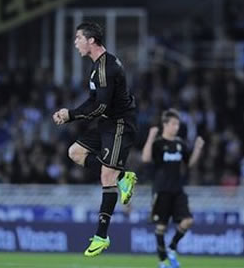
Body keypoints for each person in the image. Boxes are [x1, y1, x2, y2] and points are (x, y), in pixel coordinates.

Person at [52, 22, 138, 257]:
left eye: (78, 38)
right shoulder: (98, 66)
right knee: (75, 153)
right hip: (107, 123)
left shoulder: (105, 68)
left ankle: (101, 236)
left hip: (120, 123)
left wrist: (70, 115)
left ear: (91, 40)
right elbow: (95, 104)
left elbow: (99, 106)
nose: (75, 42)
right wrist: (70, 113)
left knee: (105, 175)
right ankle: (123, 176)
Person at [142, 109, 204, 268]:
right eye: (174, 124)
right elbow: (146, 159)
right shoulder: (157, 143)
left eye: (178, 124)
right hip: (161, 190)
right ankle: (162, 262)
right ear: (165, 125)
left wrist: (197, 149)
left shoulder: (180, 143)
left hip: (177, 190)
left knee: (188, 220)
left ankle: (171, 248)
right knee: (161, 226)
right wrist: (150, 137)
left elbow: (189, 163)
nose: (177, 127)